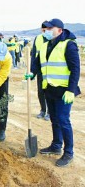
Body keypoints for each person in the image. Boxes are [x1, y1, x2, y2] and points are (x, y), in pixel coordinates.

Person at [30, 18, 81, 167]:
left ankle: (68, 152)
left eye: (50, 29)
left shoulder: (69, 45)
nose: (46, 31)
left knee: (63, 120)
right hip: (49, 89)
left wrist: (71, 90)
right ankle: (56, 145)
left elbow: (75, 69)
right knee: (54, 119)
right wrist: (32, 73)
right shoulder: (46, 45)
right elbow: (39, 64)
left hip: (64, 91)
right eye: (46, 29)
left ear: (59, 30)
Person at [31, 21, 50, 121]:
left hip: (51, 71)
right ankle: (43, 110)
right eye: (43, 30)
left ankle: (49, 112)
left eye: (46, 29)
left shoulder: (53, 38)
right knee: (40, 91)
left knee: (49, 92)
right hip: (40, 70)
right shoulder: (38, 38)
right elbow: (34, 55)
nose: (45, 31)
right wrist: (32, 72)